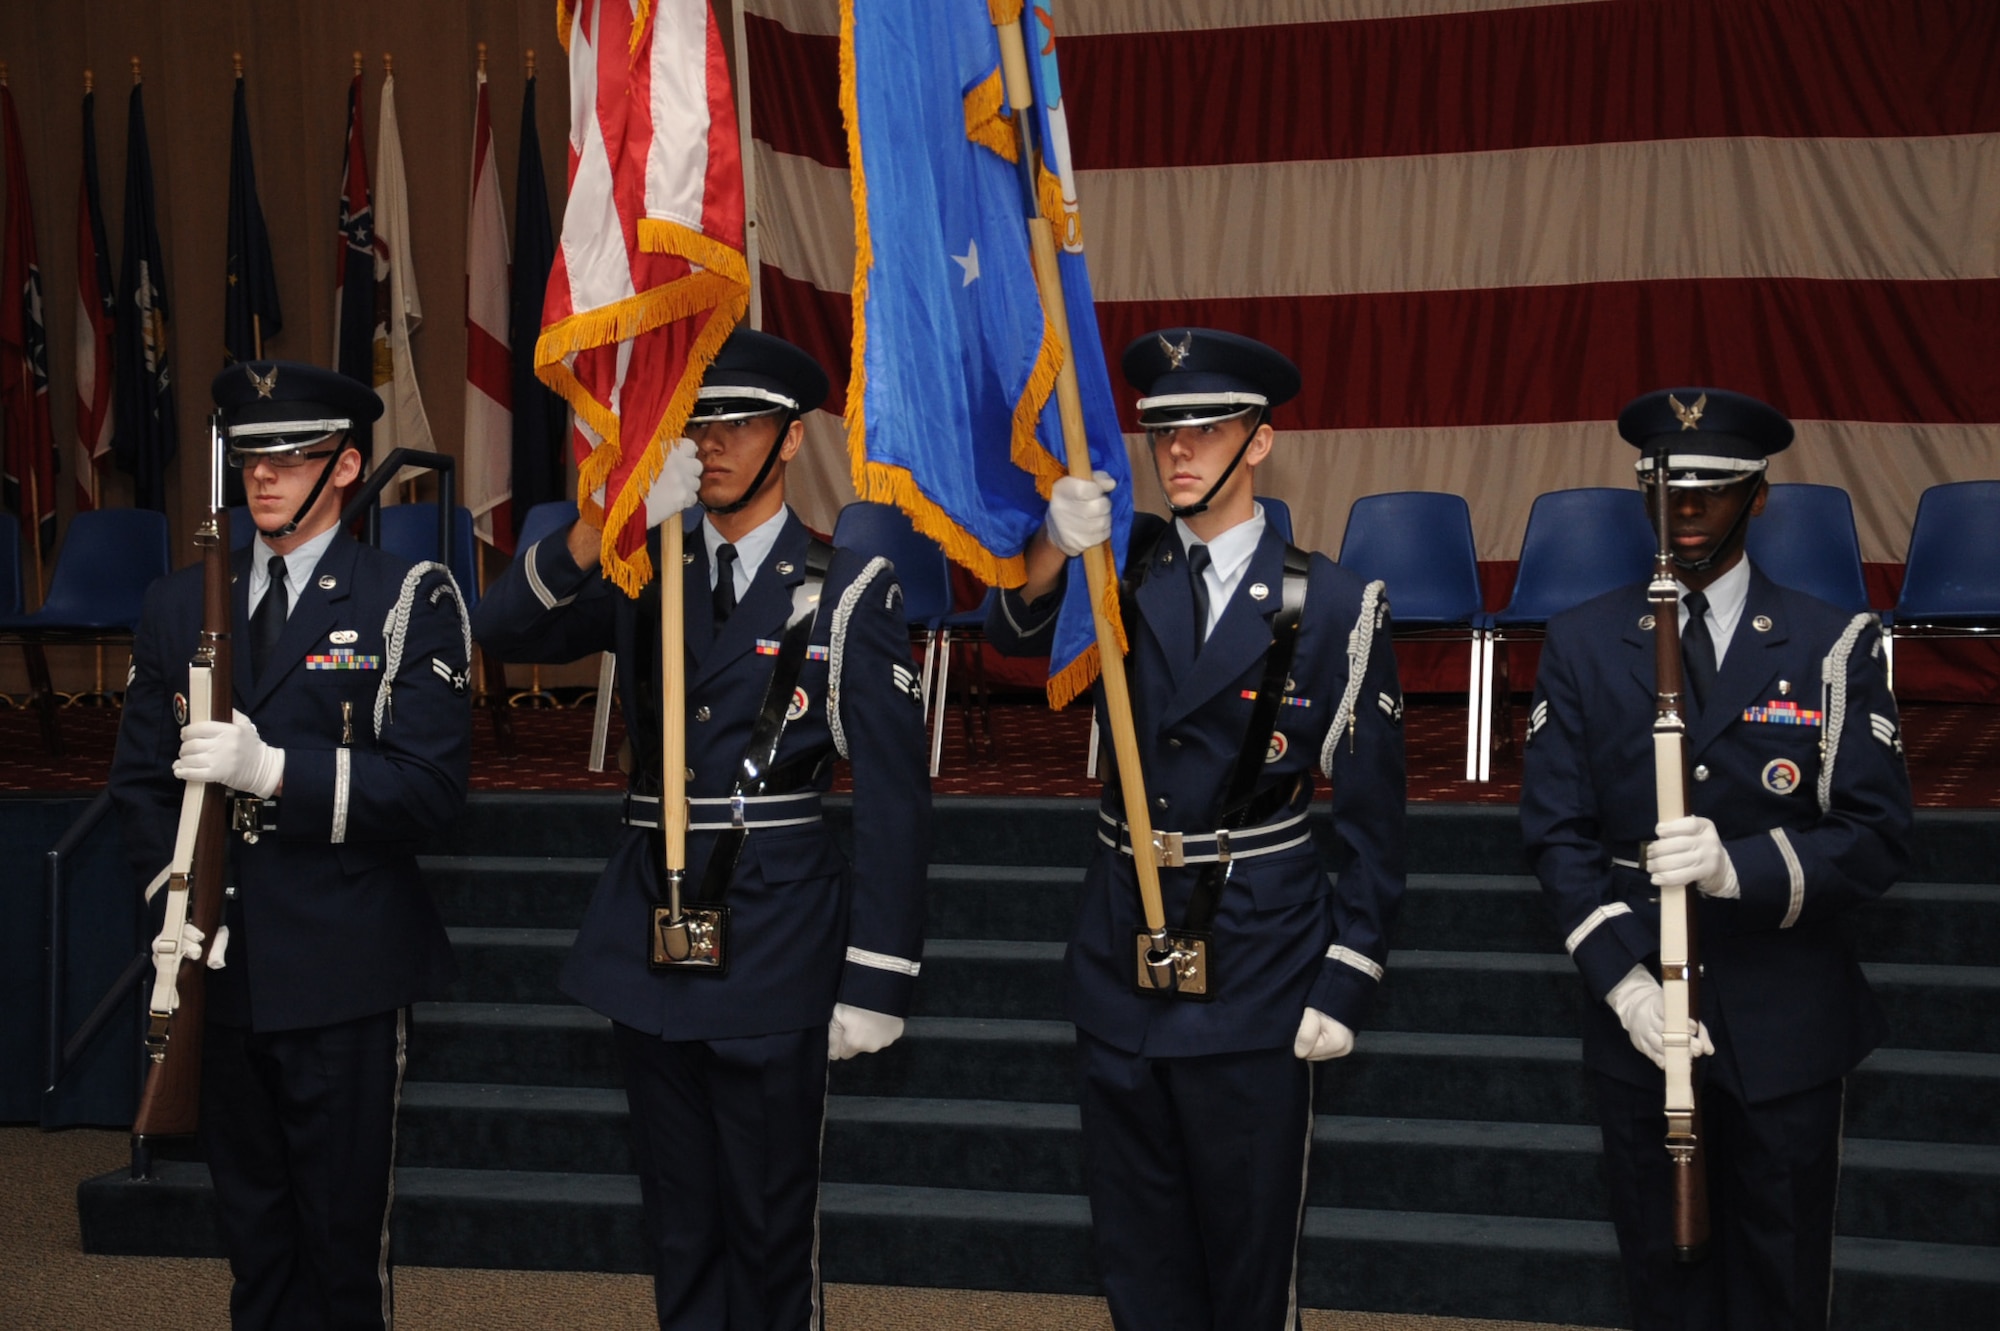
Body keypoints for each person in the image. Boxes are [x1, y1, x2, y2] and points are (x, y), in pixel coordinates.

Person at [473, 328, 929, 1329]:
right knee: (677, 1229)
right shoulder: (644, 569)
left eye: (739, 422)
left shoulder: (843, 588)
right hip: (650, 928)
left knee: (768, 1233)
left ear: (792, 439)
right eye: (696, 424)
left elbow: (895, 798)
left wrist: (878, 973)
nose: (713, 444)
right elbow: (499, 629)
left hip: (775, 933)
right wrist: (605, 523)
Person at [986, 327, 1406, 1330]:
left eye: (1205, 428)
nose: (1175, 449)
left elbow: (1375, 819)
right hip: (1122, 945)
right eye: (1160, 428)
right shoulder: (1111, 569)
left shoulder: (1336, 601)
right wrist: (1051, 540)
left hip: (1258, 956)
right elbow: (1006, 644)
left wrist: (1347, 971)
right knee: (1138, 1257)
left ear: (1258, 441)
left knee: (1245, 1263)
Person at [1520, 388, 1914, 1330]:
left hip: (1785, 1015)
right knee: (1663, 1282)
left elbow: (1877, 834)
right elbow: (1556, 836)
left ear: (1759, 497)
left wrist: (1743, 867)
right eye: (1668, 492)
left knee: (1781, 1280)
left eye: (1712, 492)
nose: (1687, 512)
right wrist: (1625, 986)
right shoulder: (1581, 642)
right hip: (1644, 1023)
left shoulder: (1834, 644)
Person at [109, 362, 472, 1330]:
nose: (264, 475)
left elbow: (431, 787)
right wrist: (177, 906)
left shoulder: (406, 595)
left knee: (340, 1242)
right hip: (216, 964)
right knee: (252, 1234)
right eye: (250, 455)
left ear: (346, 465)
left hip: (340, 959)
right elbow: (139, 784)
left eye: (293, 455)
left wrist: (277, 772)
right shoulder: (179, 602)